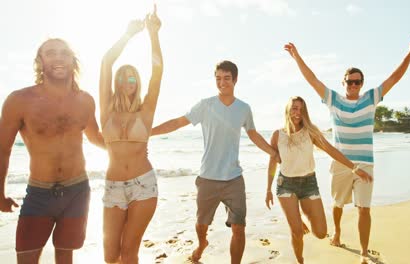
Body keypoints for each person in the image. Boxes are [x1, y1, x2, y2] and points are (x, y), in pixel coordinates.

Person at [284, 34, 410, 263]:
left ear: (362, 84)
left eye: (357, 81)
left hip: (365, 162)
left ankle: (365, 252)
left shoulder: (371, 98)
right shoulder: (333, 100)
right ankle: (337, 231)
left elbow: (394, 77)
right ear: (344, 83)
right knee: (338, 204)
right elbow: (312, 79)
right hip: (340, 163)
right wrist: (296, 56)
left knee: (364, 208)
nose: (354, 85)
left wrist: (409, 54)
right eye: (350, 81)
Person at [151, 60, 279, 264]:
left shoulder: (244, 108)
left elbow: (253, 134)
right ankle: (202, 244)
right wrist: (149, 132)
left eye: (227, 78)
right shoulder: (205, 105)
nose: (222, 83)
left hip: (234, 178)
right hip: (208, 178)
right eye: (218, 78)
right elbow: (178, 122)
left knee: (239, 227)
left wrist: (273, 152)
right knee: (201, 225)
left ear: (235, 80)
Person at [0, 38, 104, 264]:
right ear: (40, 61)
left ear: (72, 60)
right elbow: (3, 150)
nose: (58, 57)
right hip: (39, 193)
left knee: (65, 255)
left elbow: (96, 137)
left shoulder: (85, 100)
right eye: (51, 53)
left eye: (64, 53)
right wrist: (0, 192)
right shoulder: (19, 100)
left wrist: (130, 145)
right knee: (26, 258)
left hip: (78, 191)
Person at [265, 96, 373, 264]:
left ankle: (300, 214)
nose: (297, 113)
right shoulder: (277, 135)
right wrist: (268, 189)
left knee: (321, 233)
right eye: (294, 108)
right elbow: (272, 162)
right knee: (297, 232)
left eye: (301, 109)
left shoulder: (311, 132)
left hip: (308, 184)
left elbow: (331, 150)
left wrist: (354, 167)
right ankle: (300, 260)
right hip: (285, 185)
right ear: (287, 110)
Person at [99, 5, 163, 264]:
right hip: (113, 186)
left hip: (143, 186)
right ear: (117, 82)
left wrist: (153, 34)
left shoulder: (146, 110)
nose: (127, 82)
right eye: (123, 78)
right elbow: (106, 62)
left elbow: (157, 73)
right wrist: (128, 35)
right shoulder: (106, 108)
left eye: (132, 78)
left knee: (129, 252)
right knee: (110, 255)